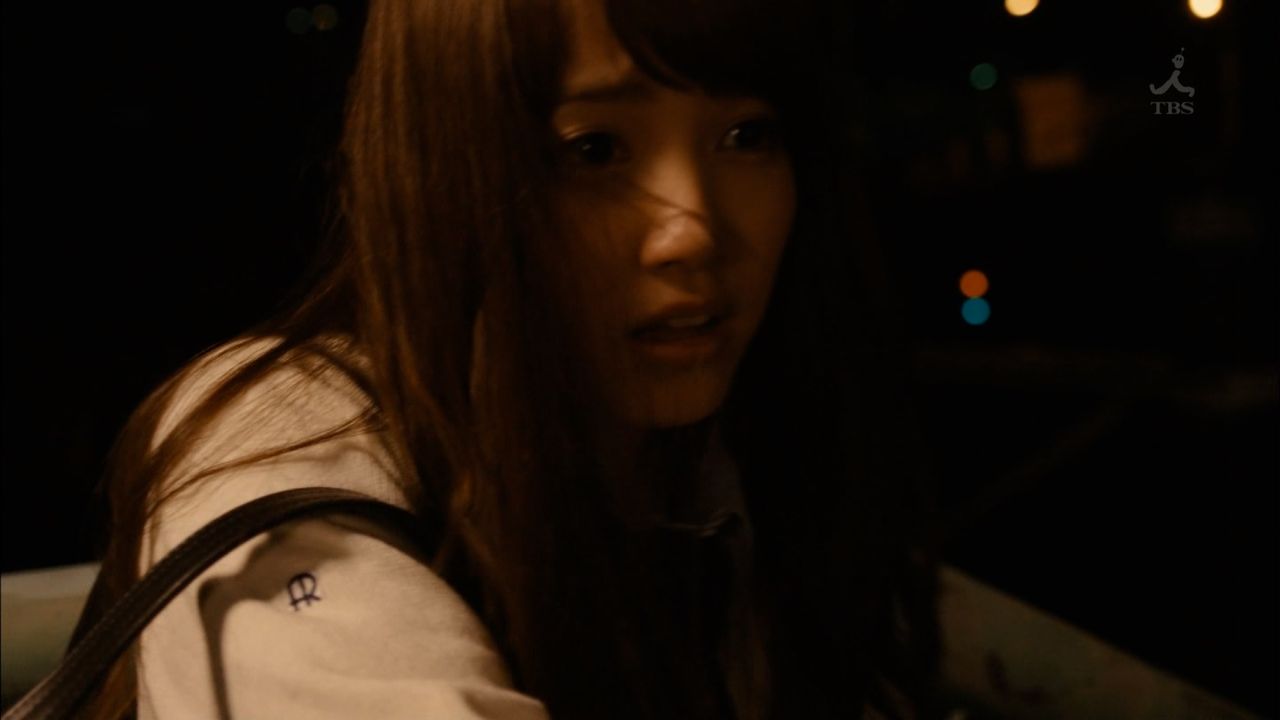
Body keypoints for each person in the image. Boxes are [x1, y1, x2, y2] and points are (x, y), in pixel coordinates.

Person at [86, 0, 943, 717]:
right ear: (445, 171)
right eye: (594, 150)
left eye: (747, 135)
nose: (694, 231)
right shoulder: (280, 441)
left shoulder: (741, 453)